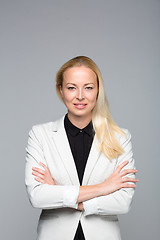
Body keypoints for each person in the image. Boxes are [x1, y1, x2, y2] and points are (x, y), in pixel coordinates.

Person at [25, 56, 138, 240]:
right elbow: (37, 196)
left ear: (98, 91)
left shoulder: (120, 137)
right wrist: (104, 187)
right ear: (60, 90)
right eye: (71, 87)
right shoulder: (40, 135)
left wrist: (63, 196)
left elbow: (123, 202)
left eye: (88, 87)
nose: (80, 96)